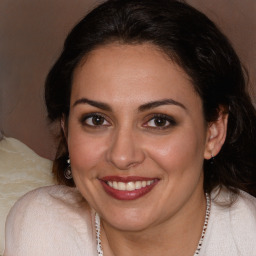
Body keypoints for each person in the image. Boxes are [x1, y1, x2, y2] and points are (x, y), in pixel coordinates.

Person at [4, 0, 256, 255]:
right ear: (66, 129)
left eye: (159, 121)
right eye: (96, 120)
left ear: (213, 132)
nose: (122, 156)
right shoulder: (40, 227)